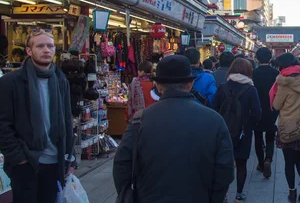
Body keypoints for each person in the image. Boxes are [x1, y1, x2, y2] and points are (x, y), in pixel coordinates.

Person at [113, 55, 234, 203]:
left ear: (158, 86)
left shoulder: (139, 120)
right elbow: (225, 169)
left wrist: (131, 195)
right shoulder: (214, 120)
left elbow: (121, 165)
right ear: (190, 84)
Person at [0, 30, 75, 203]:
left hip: (54, 161)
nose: (46, 50)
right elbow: (1, 126)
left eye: (50, 46)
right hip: (26, 162)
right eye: (40, 46)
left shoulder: (61, 80)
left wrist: (69, 156)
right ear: (29, 51)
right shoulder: (10, 82)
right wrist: (19, 158)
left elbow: (67, 119)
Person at [212, 58, 261, 203]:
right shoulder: (251, 89)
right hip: (243, 133)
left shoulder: (222, 87)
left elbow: (214, 108)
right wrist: (248, 126)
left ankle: (224, 195)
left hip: (223, 132)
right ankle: (239, 194)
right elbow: (257, 114)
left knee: (223, 164)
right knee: (241, 164)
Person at [271, 53, 300, 202]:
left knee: (289, 162)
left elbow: (276, 105)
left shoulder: (284, 83)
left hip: (288, 126)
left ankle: (292, 192)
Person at [251, 47, 279, 179]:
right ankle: (268, 158)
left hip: (256, 108)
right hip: (271, 108)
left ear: (257, 58)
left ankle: (261, 163)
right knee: (270, 135)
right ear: (270, 58)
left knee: (257, 136)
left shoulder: (253, 73)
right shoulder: (275, 73)